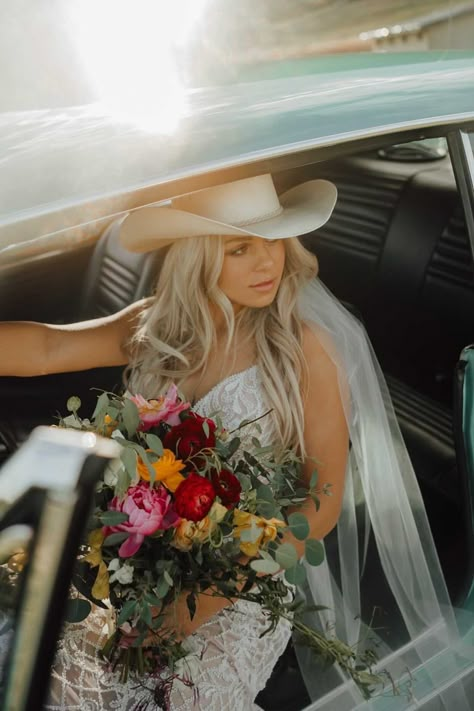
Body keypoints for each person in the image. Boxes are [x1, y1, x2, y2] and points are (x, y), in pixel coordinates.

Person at [0, 173, 471, 710]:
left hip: (244, 581)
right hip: (139, 561)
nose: (267, 263)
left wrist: (199, 601)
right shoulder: (158, 327)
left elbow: (320, 506)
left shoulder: (303, 347)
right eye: (240, 249)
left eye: (273, 241)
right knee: (57, 681)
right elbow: (44, 348)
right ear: (198, 256)